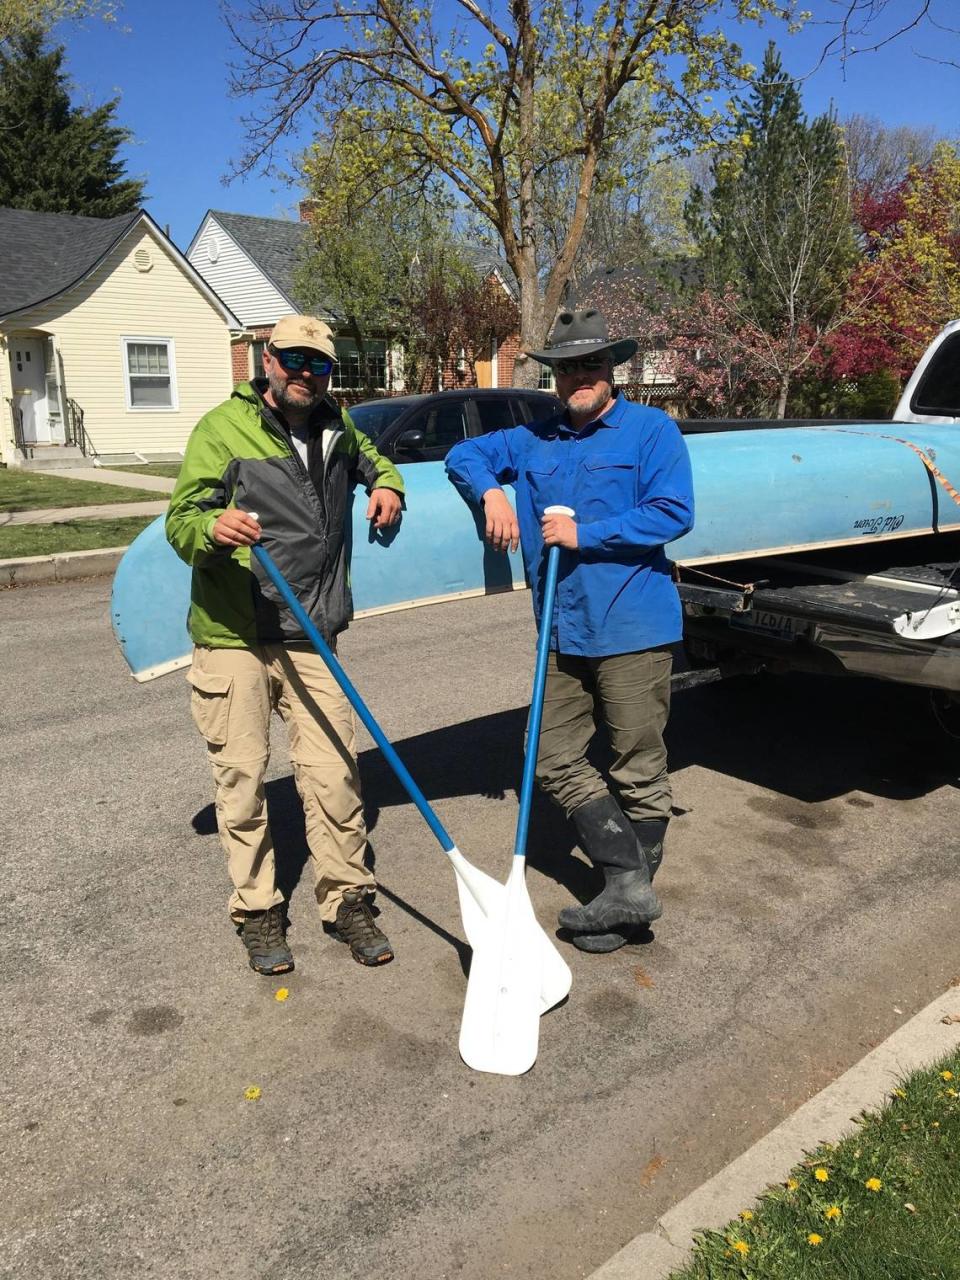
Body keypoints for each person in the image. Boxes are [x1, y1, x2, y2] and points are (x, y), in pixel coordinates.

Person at [445, 308, 694, 953]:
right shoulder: (535, 439)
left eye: (589, 363)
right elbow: (465, 452)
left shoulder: (650, 431)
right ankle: (627, 880)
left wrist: (589, 535)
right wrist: (491, 495)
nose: (577, 376)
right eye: (566, 366)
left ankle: (625, 903)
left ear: (611, 369)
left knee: (637, 764)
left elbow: (674, 511)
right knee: (549, 756)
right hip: (561, 625)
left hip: (633, 623)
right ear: (553, 375)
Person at [166, 314, 404, 976]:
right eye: (293, 360)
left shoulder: (337, 424)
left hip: (310, 631)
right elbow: (181, 519)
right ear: (266, 360)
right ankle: (258, 908)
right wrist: (214, 526)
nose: (304, 374)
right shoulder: (222, 429)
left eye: (318, 364)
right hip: (235, 634)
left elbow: (374, 458)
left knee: (335, 773)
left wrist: (388, 484)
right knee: (242, 780)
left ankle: (347, 900)